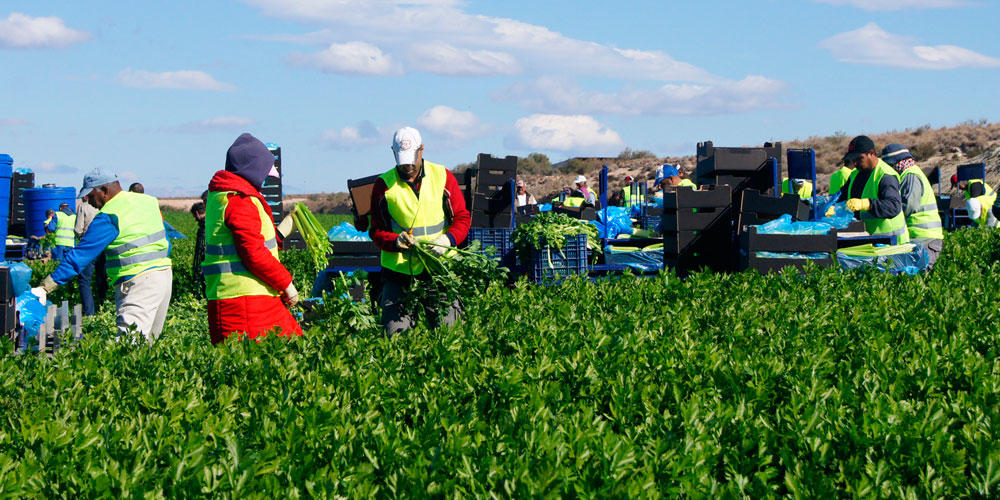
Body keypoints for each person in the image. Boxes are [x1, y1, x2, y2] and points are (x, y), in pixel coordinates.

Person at [30, 169, 173, 341]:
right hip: (163, 276)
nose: (89, 202)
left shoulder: (110, 215)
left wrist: (46, 287)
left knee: (129, 346)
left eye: (90, 196)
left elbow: (81, 255)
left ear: (104, 191)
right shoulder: (148, 202)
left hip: (138, 282)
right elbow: (166, 242)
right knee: (149, 344)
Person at [369, 126, 470, 336]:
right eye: (402, 161)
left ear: (421, 150)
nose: (408, 166)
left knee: (449, 335)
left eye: (411, 160)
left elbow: (462, 218)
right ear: (393, 153)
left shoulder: (442, 176)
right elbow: (376, 230)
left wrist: (447, 240)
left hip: (438, 269)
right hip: (398, 272)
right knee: (397, 338)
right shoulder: (384, 185)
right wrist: (394, 241)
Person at [203, 133, 302, 345]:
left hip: (248, 299)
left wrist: (283, 231)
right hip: (244, 304)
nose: (266, 179)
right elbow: (253, 253)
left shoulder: (228, 195)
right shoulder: (240, 200)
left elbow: (251, 240)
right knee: (273, 360)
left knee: (292, 348)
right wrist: (286, 283)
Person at [836, 135, 909, 244]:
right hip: (869, 242)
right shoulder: (855, 175)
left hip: (891, 243)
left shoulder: (885, 175)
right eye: (853, 160)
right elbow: (841, 197)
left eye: (859, 159)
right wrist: (831, 206)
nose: (855, 163)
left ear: (871, 153)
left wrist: (866, 204)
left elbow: (893, 206)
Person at [881, 143, 944, 268]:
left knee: (919, 276)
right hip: (922, 237)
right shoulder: (910, 173)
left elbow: (909, 206)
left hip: (924, 237)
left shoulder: (910, 176)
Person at [74, 198, 99, 315]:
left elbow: (78, 229)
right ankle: (102, 308)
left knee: (84, 281)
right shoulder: (106, 205)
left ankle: (89, 313)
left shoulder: (84, 207)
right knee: (102, 280)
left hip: (88, 246)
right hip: (105, 246)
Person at [190, 201, 206, 298]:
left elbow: (200, 249)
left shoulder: (203, 230)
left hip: (205, 266)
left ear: (197, 213)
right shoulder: (213, 224)